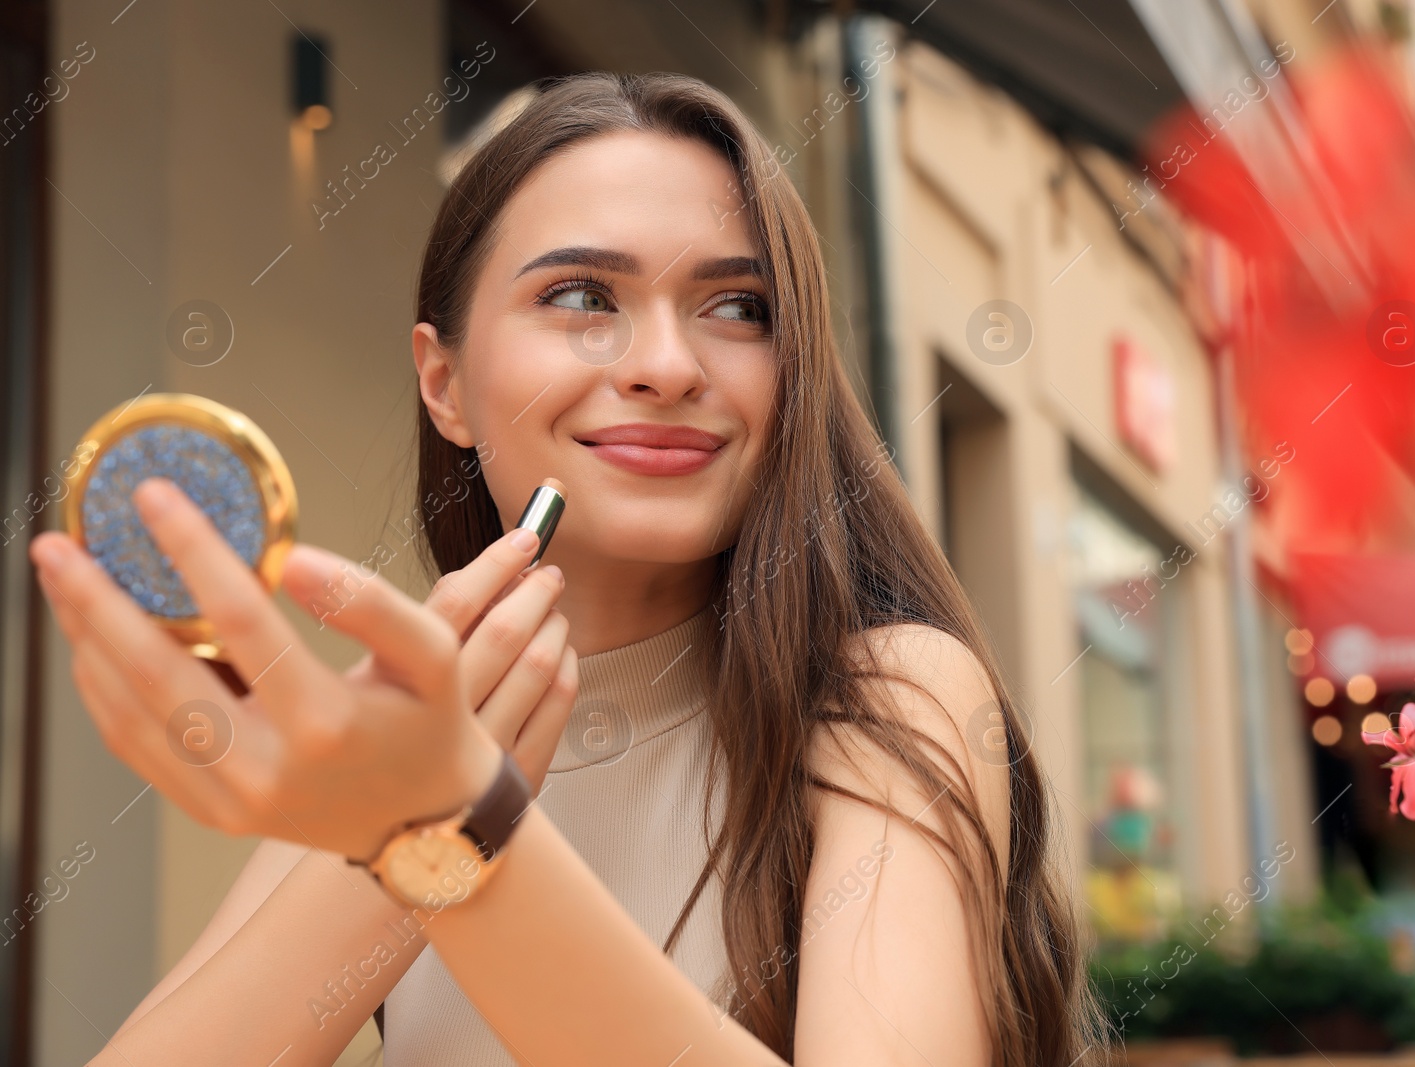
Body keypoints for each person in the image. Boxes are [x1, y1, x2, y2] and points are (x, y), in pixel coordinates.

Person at [29, 71, 1102, 1066]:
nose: (667, 366)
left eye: (739, 308)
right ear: (442, 382)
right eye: (584, 297)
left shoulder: (893, 697)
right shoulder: (404, 737)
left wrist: (444, 825)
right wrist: (401, 812)